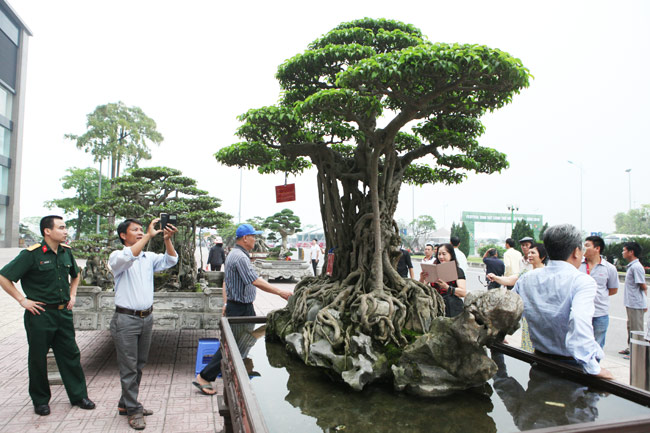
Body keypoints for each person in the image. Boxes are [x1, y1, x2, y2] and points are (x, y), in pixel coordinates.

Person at [0, 215, 95, 416]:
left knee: (71, 355)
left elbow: (76, 275)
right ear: (47, 231)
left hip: (63, 314)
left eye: (66, 227)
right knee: (38, 358)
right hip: (40, 315)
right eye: (61, 227)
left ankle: (79, 396)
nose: (66, 231)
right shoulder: (31, 255)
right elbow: (4, 276)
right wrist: (22, 300)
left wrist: (73, 294)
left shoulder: (66, 252)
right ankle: (41, 400)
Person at [193, 224, 293, 395]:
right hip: (240, 309)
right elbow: (255, 280)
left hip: (238, 306)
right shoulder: (239, 257)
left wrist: (225, 304)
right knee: (232, 346)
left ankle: (236, 374)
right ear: (245, 238)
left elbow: (226, 282)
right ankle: (204, 377)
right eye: (254, 236)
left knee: (241, 345)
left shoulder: (236, 254)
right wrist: (280, 292)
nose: (256, 240)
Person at [513, 224, 613, 379]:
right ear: (576, 251)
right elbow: (579, 322)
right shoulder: (582, 281)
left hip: (539, 360)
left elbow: (509, 310)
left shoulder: (527, 278)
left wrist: (501, 335)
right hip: (573, 366)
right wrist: (593, 367)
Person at [109, 217, 178, 430]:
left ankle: (126, 404)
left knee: (138, 364)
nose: (140, 232)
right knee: (129, 366)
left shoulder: (148, 257)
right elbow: (130, 255)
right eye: (135, 230)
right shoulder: (117, 256)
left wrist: (167, 240)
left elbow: (171, 260)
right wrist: (149, 235)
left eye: (142, 229)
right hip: (126, 319)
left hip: (146, 318)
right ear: (123, 235)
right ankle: (134, 409)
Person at [578, 236, 619, 349]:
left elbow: (613, 289)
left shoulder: (609, 268)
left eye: (587, 245)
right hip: (581, 312)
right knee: (580, 344)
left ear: (597, 248)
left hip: (599, 314)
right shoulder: (577, 265)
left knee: (597, 345)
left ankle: (594, 366)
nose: (583, 248)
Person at [421, 243, 467, 317]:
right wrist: (422, 278)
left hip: (452, 307)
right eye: (439, 254)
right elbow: (421, 287)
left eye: (444, 254)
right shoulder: (433, 269)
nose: (441, 257)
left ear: (451, 254)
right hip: (436, 306)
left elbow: (463, 293)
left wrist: (447, 287)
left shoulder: (457, 271)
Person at [619, 241, 647, 357]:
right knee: (630, 327)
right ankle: (631, 348)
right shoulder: (631, 266)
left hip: (636, 303)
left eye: (624, 250)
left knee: (637, 329)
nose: (623, 252)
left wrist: (645, 303)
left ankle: (638, 353)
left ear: (631, 252)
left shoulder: (636, 267)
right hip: (631, 303)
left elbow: (643, 285)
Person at [519, 243, 548, 352]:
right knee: (528, 346)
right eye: (529, 252)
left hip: (542, 316)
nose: (529, 255)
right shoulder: (526, 273)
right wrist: (496, 278)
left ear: (543, 256)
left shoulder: (548, 274)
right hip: (528, 315)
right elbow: (512, 280)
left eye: (533, 253)